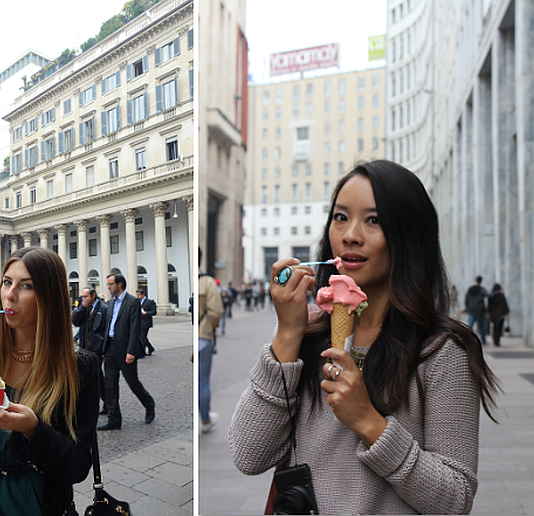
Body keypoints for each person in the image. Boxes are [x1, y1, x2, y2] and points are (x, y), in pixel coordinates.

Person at [229, 160, 500, 514]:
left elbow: (455, 498)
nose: (350, 235)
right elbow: (248, 455)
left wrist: (369, 423)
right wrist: (288, 333)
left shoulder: (443, 351)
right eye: (340, 217)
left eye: (373, 220)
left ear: (408, 234)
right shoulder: (309, 334)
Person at [0, 247, 99, 516]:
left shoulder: (80, 368)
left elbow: (78, 466)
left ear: (49, 297)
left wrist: (33, 430)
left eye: (26, 286)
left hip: (35, 502)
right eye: (7, 282)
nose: (10, 295)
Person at [99, 273, 155, 430]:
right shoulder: (110, 303)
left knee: (133, 382)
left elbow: (134, 329)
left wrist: (131, 351)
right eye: (108, 284)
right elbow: (108, 326)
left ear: (120, 284)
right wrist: (104, 347)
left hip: (125, 349)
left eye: (111, 284)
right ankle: (114, 419)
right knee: (110, 385)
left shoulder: (132, 302)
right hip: (110, 348)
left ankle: (149, 404)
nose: (108, 287)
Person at [72, 287, 109, 414]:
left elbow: (106, 329)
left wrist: (103, 347)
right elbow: (75, 321)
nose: (83, 299)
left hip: (97, 349)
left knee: (97, 376)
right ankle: (91, 404)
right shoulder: (84, 308)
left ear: (93, 296)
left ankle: (106, 403)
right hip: (85, 347)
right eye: (82, 296)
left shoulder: (103, 308)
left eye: (86, 296)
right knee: (88, 375)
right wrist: (82, 307)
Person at [199, 248, 223, 433]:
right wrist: (209, 327)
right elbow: (216, 311)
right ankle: (205, 420)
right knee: (203, 382)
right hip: (204, 337)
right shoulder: (207, 282)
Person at [465, 276, 489, 344]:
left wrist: (467, 308)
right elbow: (488, 295)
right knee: (481, 327)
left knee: (470, 326)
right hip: (479, 311)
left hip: (471, 310)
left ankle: (467, 339)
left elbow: (466, 299)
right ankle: (483, 340)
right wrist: (497, 292)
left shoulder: (470, 289)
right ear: (481, 281)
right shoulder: (481, 289)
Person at [135, 288, 157, 356]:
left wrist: (146, 313)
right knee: (142, 337)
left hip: (146, 322)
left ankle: (142, 352)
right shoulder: (137, 301)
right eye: (137, 295)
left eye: (139, 295)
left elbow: (154, 312)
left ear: (143, 294)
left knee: (142, 337)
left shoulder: (150, 302)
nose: (138, 296)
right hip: (139, 322)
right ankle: (150, 348)